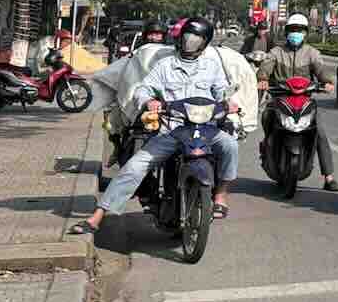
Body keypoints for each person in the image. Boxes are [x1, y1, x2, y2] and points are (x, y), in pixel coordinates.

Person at [74, 17, 239, 234]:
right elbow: (144, 88)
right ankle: (97, 216)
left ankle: (221, 195)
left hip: (205, 129)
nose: (190, 43)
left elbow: (221, 91)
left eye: (196, 40)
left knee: (230, 146)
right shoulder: (165, 65)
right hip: (172, 129)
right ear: (180, 38)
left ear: (204, 43)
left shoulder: (212, 66)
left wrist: (229, 102)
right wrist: (148, 101)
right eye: (187, 37)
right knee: (135, 167)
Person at [256, 13, 338, 192]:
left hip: (304, 101)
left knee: (319, 132)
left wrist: (327, 82)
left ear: (305, 33)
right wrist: (263, 78)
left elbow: (320, 70)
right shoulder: (276, 52)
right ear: (287, 32)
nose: (296, 33)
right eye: (292, 30)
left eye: (299, 30)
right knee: (266, 117)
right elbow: (265, 68)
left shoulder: (312, 53)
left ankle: (329, 177)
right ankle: (268, 148)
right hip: (280, 99)